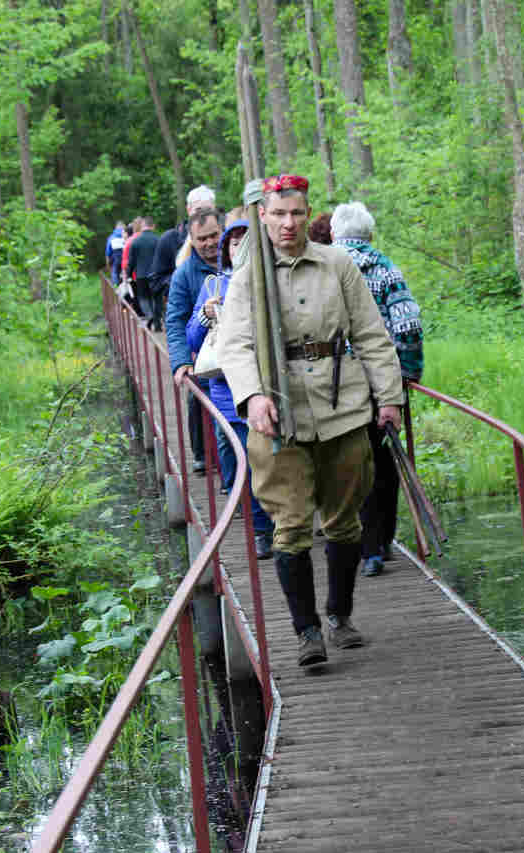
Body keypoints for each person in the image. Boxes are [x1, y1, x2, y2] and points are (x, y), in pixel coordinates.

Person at [217, 175, 405, 667]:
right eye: (278, 214)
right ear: (263, 215)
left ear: (307, 213)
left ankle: (340, 616)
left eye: (297, 213)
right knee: (291, 526)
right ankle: (307, 632)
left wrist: (389, 398)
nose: (288, 223)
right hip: (280, 417)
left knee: (345, 523)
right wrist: (252, 397)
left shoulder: (338, 264)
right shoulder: (249, 276)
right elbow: (232, 344)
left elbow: (371, 334)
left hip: (342, 409)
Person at [331, 201, 425, 577]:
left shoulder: (325, 267)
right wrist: (410, 373)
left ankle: (365, 548)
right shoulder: (386, 268)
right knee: (385, 458)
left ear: (336, 233)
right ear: (369, 234)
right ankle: (382, 541)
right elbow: (408, 323)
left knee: (351, 461)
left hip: (338, 381)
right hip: (384, 380)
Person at [184, 216, 276, 559]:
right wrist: (206, 316)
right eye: (234, 242)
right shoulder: (213, 286)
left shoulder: (271, 281)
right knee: (247, 463)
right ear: (226, 250)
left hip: (272, 387)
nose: (240, 248)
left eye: (246, 240)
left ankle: (284, 520)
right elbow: (193, 338)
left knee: (278, 461)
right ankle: (261, 531)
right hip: (229, 392)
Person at [168, 208, 224, 474]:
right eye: (202, 239)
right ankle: (201, 454)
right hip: (206, 353)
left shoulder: (238, 258)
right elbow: (175, 320)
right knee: (198, 399)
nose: (210, 243)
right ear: (192, 240)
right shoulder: (184, 274)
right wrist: (180, 361)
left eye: (214, 235)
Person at [151, 185, 217, 335]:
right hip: (186, 318)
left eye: (208, 211)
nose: (203, 216)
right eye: (199, 210)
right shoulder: (170, 239)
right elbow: (155, 281)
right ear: (189, 210)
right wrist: (181, 285)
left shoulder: (226, 238)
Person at [125, 217, 160, 326]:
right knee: (155, 297)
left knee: (143, 298)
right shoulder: (158, 240)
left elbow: (131, 261)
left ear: (142, 227)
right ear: (153, 226)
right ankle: (156, 321)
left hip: (140, 275)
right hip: (155, 274)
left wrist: (128, 275)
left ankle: (149, 316)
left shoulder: (135, 242)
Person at [105, 220, 126, 286]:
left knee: (115, 273)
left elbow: (108, 252)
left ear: (116, 227)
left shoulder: (111, 237)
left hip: (115, 260)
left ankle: (116, 287)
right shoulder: (126, 235)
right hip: (125, 260)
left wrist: (108, 263)